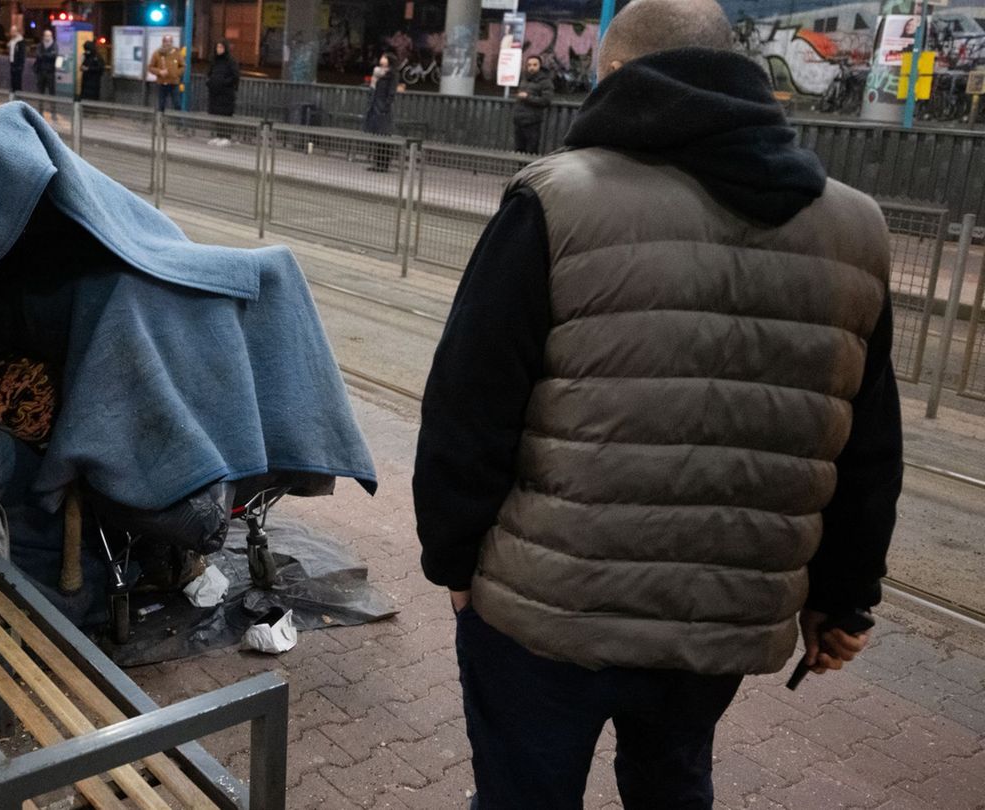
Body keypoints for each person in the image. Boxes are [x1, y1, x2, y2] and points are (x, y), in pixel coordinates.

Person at [413, 0, 901, 807]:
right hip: (721, 617)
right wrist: (843, 598)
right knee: (673, 782)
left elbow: (468, 405)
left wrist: (454, 562)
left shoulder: (556, 201)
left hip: (547, 612)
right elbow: (864, 444)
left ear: (614, 73)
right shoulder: (856, 227)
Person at [363, 54, 400, 172]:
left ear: (389, 60)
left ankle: (384, 164)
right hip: (375, 105)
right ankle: (377, 163)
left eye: (384, 57)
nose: (381, 59)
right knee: (377, 135)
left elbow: (392, 92)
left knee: (384, 135)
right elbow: (372, 88)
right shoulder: (377, 73)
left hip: (383, 107)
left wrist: (386, 106)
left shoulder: (392, 74)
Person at [512, 55, 553, 153]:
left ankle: (528, 168)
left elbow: (546, 100)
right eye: (529, 65)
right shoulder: (524, 79)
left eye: (535, 65)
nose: (531, 67)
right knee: (519, 149)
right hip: (519, 120)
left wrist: (528, 97)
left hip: (532, 121)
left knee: (531, 150)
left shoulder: (545, 81)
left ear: (540, 66)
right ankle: (519, 168)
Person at [206, 41, 241, 145]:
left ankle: (226, 136)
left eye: (221, 47)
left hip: (226, 93)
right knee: (217, 114)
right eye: (217, 47)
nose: (219, 49)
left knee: (225, 115)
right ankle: (219, 135)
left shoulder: (231, 61)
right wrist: (209, 82)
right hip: (215, 93)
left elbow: (235, 76)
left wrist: (224, 83)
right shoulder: (214, 60)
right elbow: (209, 73)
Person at [149, 35, 185, 111]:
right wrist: (159, 72)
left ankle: (178, 122)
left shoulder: (177, 53)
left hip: (174, 83)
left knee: (177, 103)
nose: (168, 43)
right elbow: (150, 67)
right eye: (166, 41)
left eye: (170, 41)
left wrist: (176, 74)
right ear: (163, 42)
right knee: (161, 104)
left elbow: (183, 66)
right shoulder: (157, 53)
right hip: (162, 83)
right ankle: (160, 121)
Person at [34, 29, 58, 96]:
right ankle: (40, 105)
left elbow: (54, 55)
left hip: (50, 71)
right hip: (40, 71)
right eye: (46, 35)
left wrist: (44, 54)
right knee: (40, 90)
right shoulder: (40, 45)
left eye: (49, 35)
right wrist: (48, 54)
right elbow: (38, 55)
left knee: (51, 90)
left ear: (51, 36)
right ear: (43, 36)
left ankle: (53, 106)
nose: (47, 37)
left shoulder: (54, 45)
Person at [7, 25, 25, 92]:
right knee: (13, 81)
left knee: (18, 82)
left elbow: (22, 54)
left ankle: (18, 97)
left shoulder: (20, 42)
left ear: (17, 31)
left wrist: (20, 66)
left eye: (14, 31)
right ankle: (13, 95)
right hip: (12, 63)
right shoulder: (11, 41)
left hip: (18, 65)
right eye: (11, 31)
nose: (12, 32)